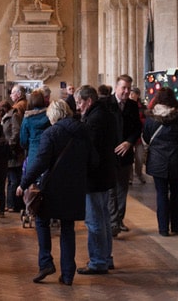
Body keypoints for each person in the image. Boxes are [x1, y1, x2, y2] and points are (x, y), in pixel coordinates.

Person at [16, 100, 98, 286]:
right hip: (75, 188)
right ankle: (68, 274)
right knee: (68, 229)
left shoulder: (51, 133)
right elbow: (94, 160)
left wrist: (24, 183)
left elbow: (40, 162)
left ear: (53, 116)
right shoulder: (84, 131)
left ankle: (45, 262)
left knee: (41, 220)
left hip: (52, 187)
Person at [74, 85, 117, 275]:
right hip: (105, 174)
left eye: (79, 102)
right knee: (104, 218)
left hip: (95, 177)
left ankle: (98, 261)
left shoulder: (94, 120)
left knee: (94, 220)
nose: (77, 107)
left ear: (88, 101)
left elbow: (90, 151)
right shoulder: (106, 114)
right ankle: (106, 257)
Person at [142, 87, 178, 236]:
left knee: (161, 194)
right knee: (176, 193)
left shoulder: (151, 118)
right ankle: (177, 227)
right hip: (176, 159)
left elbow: (146, 137)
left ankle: (163, 229)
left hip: (157, 161)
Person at [100, 75, 142, 237]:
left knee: (122, 189)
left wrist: (129, 142)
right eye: (123, 88)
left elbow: (137, 128)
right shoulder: (105, 104)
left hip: (125, 153)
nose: (126, 91)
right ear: (116, 87)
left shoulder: (132, 105)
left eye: (128, 89)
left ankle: (119, 219)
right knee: (111, 189)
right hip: (110, 154)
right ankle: (112, 222)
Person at [0, 100, 25, 213]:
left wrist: (10, 146)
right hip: (8, 152)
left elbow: (16, 132)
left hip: (13, 153)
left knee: (14, 179)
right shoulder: (7, 117)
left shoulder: (13, 116)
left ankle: (14, 204)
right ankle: (11, 204)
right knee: (11, 180)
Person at [20, 90, 51, 175]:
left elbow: (23, 140)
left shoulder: (27, 118)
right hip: (48, 151)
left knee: (32, 180)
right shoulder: (49, 116)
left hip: (33, 152)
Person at [130, 87, 147, 184]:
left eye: (133, 94)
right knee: (129, 157)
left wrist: (139, 122)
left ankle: (139, 174)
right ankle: (129, 177)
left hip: (139, 135)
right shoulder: (127, 105)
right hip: (129, 135)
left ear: (138, 95)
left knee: (139, 157)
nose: (131, 95)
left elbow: (146, 120)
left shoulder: (142, 107)